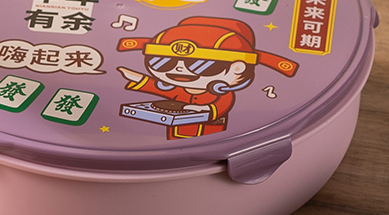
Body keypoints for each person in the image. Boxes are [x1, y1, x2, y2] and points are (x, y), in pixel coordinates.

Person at [116, 15, 298, 138]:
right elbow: (164, 90)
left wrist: (206, 109)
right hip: (175, 133)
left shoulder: (222, 94)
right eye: (162, 63)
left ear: (237, 68)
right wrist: (138, 79)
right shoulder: (180, 89)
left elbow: (221, 106)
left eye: (199, 66)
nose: (179, 70)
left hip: (211, 133)